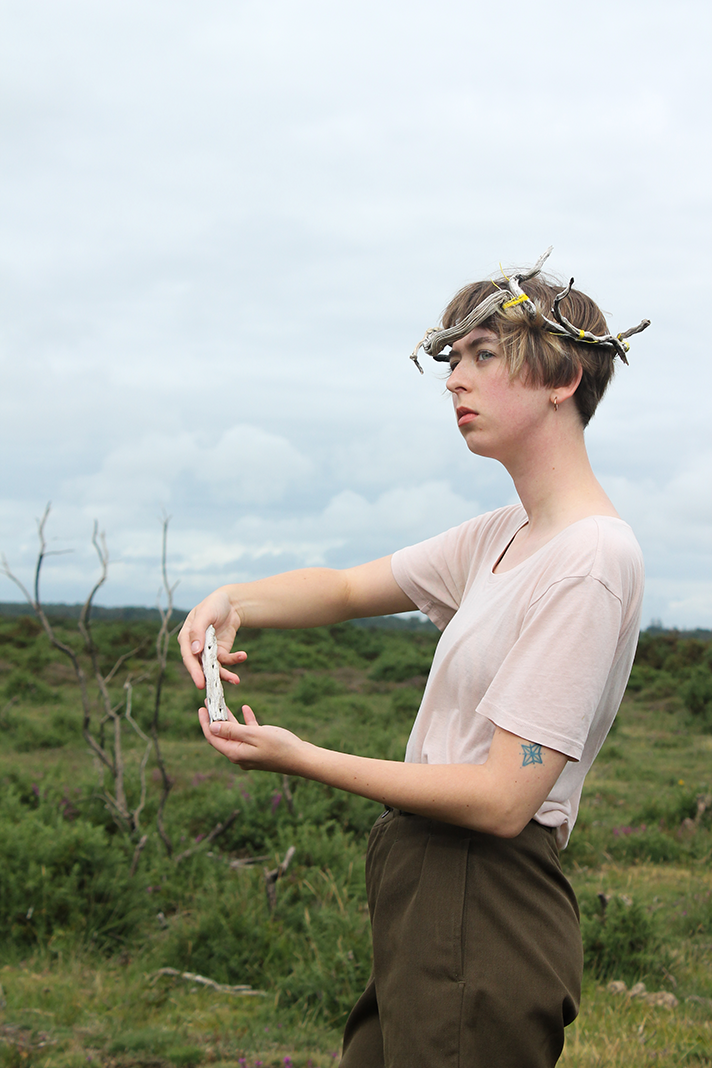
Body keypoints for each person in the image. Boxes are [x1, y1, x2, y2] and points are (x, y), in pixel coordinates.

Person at [178, 249, 648, 1068]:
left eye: (484, 356)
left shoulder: (591, 560)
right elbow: (346, 587)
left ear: (563, 376)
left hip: (486, 899)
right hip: (425, 891)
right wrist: (235, 599)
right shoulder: (504, 535)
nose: (455, 381)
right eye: (452, 360)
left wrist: (303, 758)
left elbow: (506, 798)